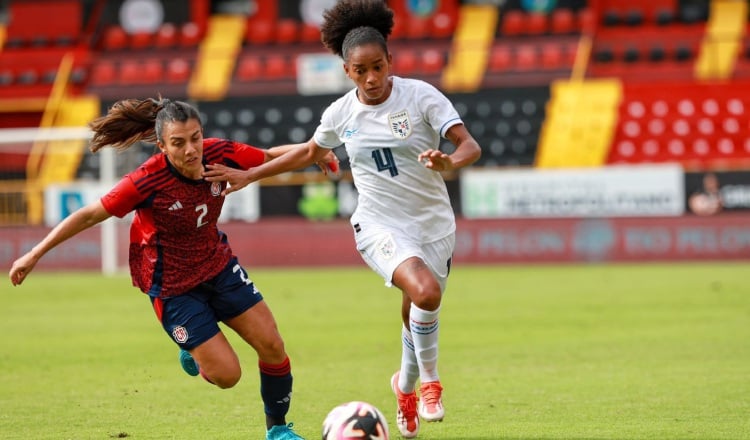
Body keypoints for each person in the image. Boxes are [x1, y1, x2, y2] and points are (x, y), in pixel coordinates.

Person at [203, 1, 482, 437]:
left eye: (377, 67)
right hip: (377, 224)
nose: (371, 78)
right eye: (360, 70)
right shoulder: (341, 114)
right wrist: (251, 174)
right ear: (347, 71)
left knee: (418, 306)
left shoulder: (422, 97)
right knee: (426, 294)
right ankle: (430, 381)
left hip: (433, 226)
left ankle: (404, 386)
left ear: (390, 62)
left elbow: (470, 146)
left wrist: (449, 161)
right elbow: (310, 151)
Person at [8, 98, 337, 440]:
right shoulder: (146, 182)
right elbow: (90, 214)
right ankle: (192, 349)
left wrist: (316, 151)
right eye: (179, 143)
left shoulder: (218, 153)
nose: (192, 150)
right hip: (173, 288)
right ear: (162, 146)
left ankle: (278, 430)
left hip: (218, 267)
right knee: (228, 376)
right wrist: (34, 253)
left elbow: (268, 156)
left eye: (196, 137)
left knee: (272, 345)